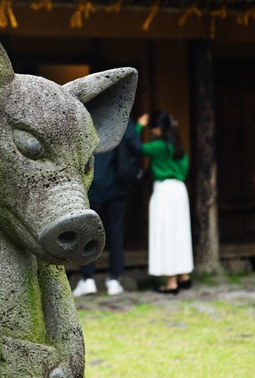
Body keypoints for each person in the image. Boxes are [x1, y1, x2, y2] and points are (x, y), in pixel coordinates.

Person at [73, 119, 141, 297]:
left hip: (92, 187)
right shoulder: (122, 119)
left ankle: (87, 279)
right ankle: (114, 279)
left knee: (88, 233)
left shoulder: (86, 117)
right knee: (116, 232)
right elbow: (136, 145)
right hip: (117, 187)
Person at [137, 110, 194, 294]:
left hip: (164, 191)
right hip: (180, 190)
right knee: (180, 233)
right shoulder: (178, 147)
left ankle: (171, 282)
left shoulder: (159, 147)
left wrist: (139, 127)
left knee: (166, 233)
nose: (152, 131)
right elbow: (185, 169)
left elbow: (136, 147)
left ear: (159, 128)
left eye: (153, 128)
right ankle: (184, 276)